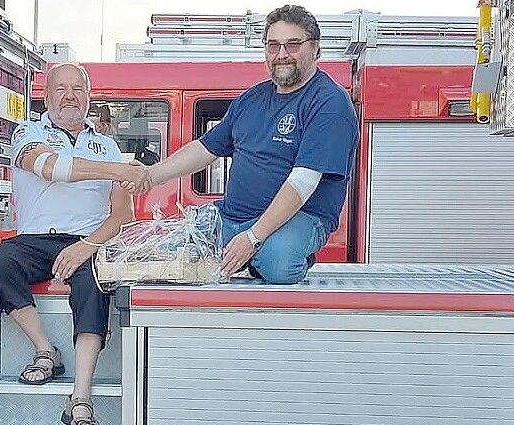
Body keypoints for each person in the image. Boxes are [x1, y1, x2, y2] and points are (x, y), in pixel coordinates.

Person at [127, 4, 358, 284]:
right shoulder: (250, 99)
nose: (281, 54)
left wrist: (252, 237)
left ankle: (277, 252)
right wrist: (149, 176)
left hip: (301, 217)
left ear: (316, 49)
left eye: (293, 45)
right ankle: (253, 252)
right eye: (273, 46)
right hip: (232, 216)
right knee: (168, 255)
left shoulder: (329, 102)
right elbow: (204, 149)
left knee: (279, 265)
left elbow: (303, 182)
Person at [0, 63, 143, 425]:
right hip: (35, 241)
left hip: (88, 240)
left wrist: (87, 246)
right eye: (61, 89)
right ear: (47, 95)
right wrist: (118, 169)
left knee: (96, 280)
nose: (69, 96)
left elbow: (123, 215)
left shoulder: (107, 145)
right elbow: (50, 167)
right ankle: (45, 351)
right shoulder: (28, 132)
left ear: (89, 97)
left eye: (78, 89)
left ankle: (81, 397)